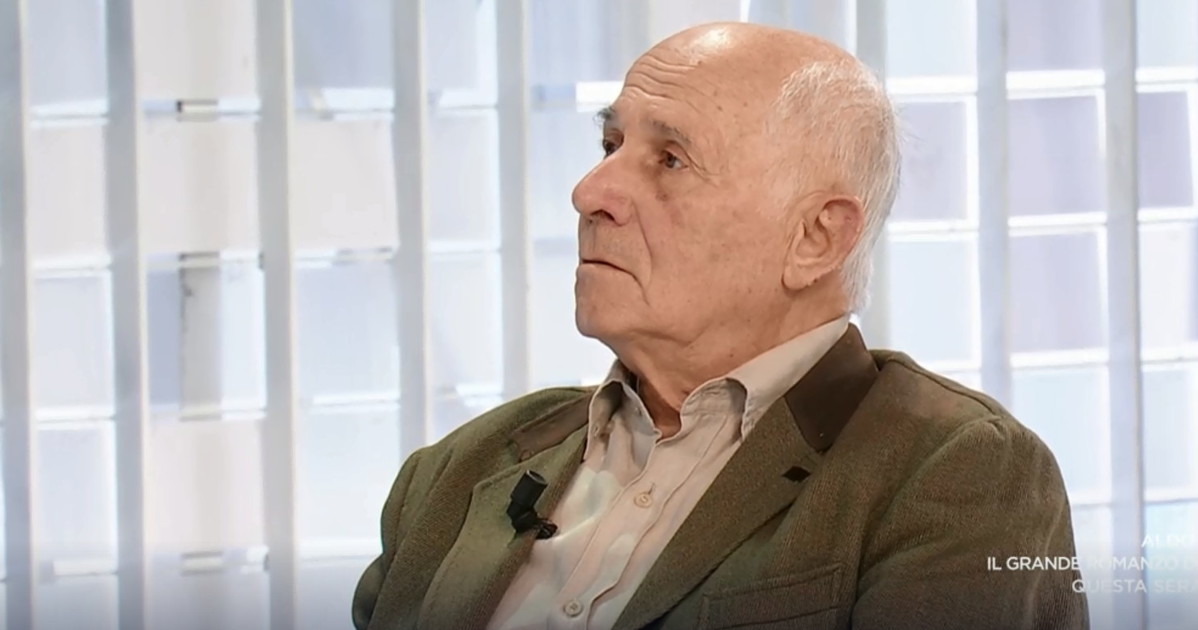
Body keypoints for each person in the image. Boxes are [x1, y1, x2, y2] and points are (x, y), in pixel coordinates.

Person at [352, 22, 1088, 630]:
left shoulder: (953, 470)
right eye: (610, 146)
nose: (589, 192)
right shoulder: (459, 468)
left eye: (670, 160)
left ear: (815, 239)